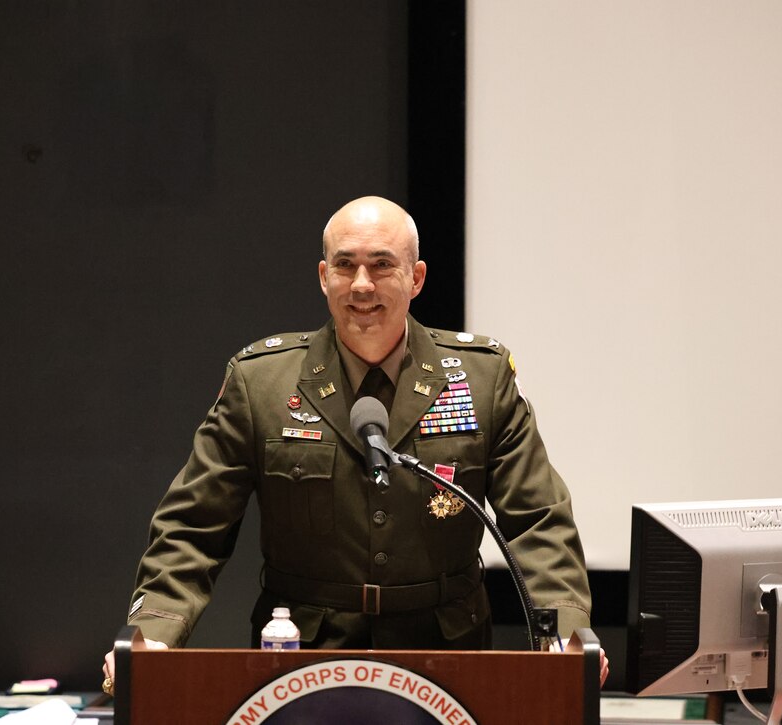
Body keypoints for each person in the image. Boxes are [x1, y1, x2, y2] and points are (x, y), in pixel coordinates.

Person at [103, 196, 607, 687]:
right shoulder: (263, 382)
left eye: (382, 265)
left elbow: (538, 520)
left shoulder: (481, 378)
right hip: (302, 652)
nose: (361, 285)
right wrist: (157, 634)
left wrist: (564, 636)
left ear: (416, 278)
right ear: (325, 278)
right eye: (345, 265)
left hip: (447, 650)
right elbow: (193, 526)